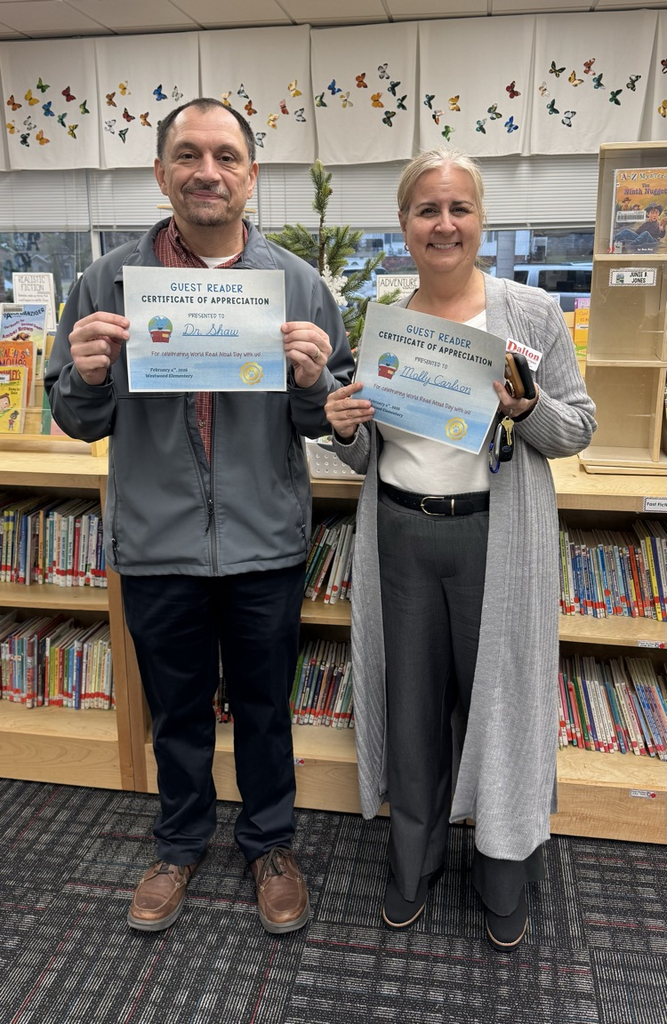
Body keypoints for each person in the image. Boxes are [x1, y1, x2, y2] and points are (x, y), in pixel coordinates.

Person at [46, 98, 354, 935]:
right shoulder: (103, 282)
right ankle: (179, 842)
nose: (206, 171)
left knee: (264, 707)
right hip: (158, 543)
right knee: (177, 710)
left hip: (263, 544)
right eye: (188, 155)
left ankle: (269, 843)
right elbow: (76, 421)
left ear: (251, 176)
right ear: (161, 173)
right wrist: (86, 375)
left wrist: (313, 384)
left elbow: (333, 417)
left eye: (225, 156)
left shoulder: (297, 284)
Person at [325, 148, 596, 951]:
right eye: (425, 211)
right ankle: (413, 864)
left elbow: (577, 427)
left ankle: (501, 867)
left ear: (480, 221)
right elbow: (368, 446)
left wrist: (528, 406)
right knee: (410, 710)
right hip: (402, 533)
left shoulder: (529, 313)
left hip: (495, 536)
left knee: (501, 707)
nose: (443, 225)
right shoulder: (383, 322)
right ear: (403, 225)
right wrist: (343, 429)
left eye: (458, 209)